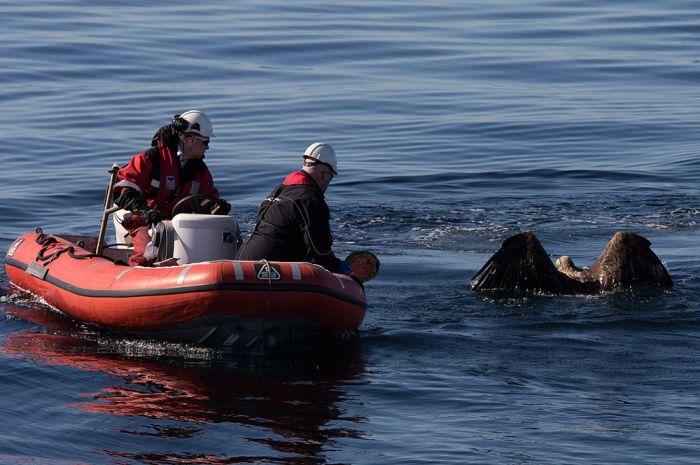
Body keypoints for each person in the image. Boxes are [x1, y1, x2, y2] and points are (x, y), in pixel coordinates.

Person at [113, 110, 231, 266]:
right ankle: (136, 272)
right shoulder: (152, 158)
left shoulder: (200, 171)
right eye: (205, 142)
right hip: (143, 220)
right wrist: (145, 211)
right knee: (147, 255)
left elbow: (208, 199)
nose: (207, 148)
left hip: (177, 225)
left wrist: (218, 209)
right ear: (191, 140)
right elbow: (124, 187)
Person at [237, 142, 352, 275]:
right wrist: (338, 267)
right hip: (265, 270)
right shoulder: (310, 198)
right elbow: (319, 250)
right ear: (324, 174)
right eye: (331, 177)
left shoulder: (280, 189)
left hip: (243, 259)